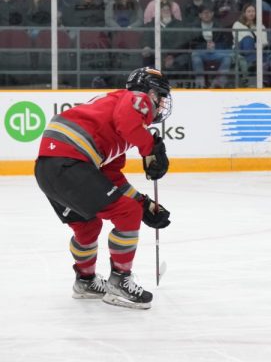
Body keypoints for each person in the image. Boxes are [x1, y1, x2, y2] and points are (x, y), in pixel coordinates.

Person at [34, 67, 172, 309]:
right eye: (160, 97)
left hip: (48, 169)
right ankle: (120, 281)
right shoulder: (135, 99)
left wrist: (144, 203)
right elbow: (129, 123)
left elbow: (111, 177)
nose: (160, 105)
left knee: (88, 225)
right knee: (127, 213)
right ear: (149, 92)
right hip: (69, 162)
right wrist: (151, 148)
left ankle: (85, 281)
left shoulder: (112, 120)